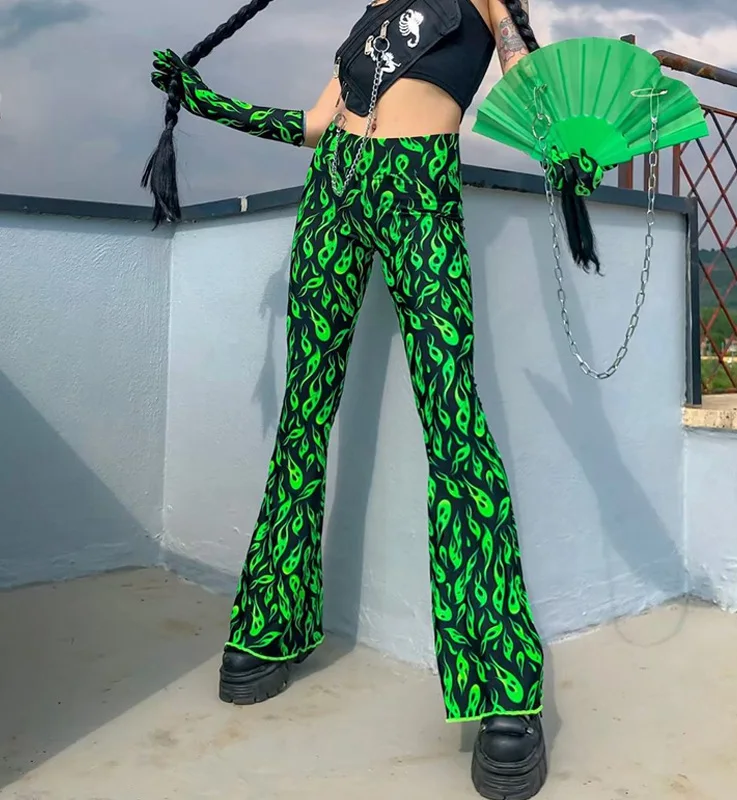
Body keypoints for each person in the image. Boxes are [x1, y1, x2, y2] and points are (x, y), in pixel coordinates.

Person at [148, 1, 556, 796]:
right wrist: (208, 104)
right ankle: (271, 624)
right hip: (333, 185)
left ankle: (505, 683)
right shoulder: (370, 12)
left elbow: (530, 85)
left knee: (456, 426)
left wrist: (568, 145)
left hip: (418, 184)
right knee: (303, 414)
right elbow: (315, 124)